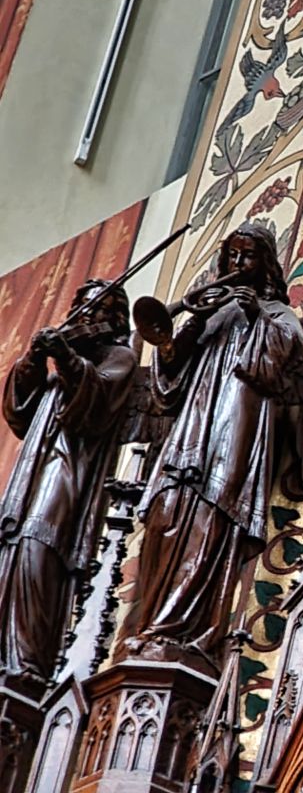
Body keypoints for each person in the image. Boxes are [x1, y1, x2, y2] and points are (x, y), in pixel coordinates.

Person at [121, 224, 303, 665]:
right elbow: (170, 376)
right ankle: (152, 624)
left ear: (265, 264)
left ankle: (186, 629)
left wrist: (257, 316)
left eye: (249, 256)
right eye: (233, 255)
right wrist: (194, 319)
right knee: (167, 511)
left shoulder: (277, 312)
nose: (238, 264)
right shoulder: (214, 310)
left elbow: (293, 356)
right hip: (193, 426)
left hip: (234, 426)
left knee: (211, 517)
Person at [0, 280, 135, 685]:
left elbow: (95, 407)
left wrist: (67, 358)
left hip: (71, 467)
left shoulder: (119, 357)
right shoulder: (67, 354)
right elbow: (19, 412)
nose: (89, 316)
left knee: (38, 545)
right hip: (34, 466)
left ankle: (28, 660)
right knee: (11, 547)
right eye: (85, 307)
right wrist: (34, 358)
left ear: (115, 319)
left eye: (100, 310)